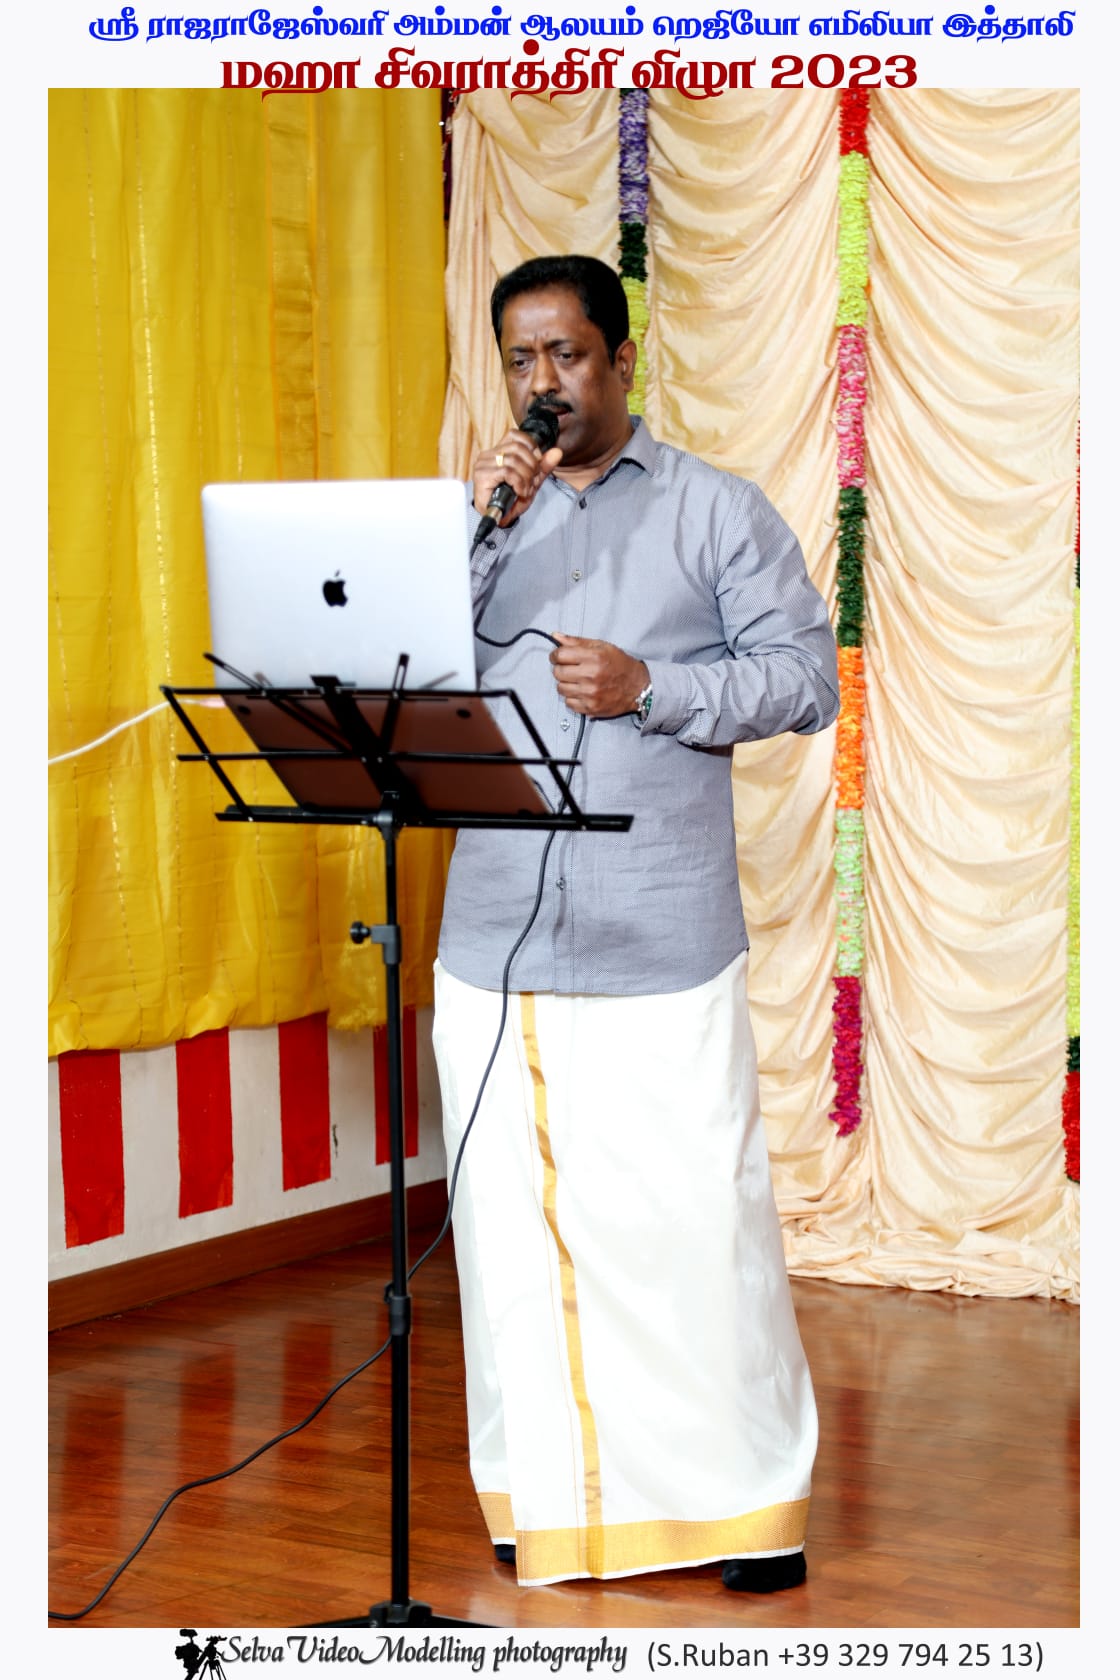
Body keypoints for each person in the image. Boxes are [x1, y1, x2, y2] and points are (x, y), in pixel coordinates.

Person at [431, 254, 839, 1593]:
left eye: (566, 355)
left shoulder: (716, 511)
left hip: (658, 936)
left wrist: (654, 687)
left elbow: (804, 678)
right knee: (510, 1235)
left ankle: (744, 1511)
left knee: (694, 1228)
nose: (542, 383)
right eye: (520, 361)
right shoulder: (481, 523)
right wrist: (471, 533)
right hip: (495, 938)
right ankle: (543, 1503)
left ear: (621, 358)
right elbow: (398, 669)